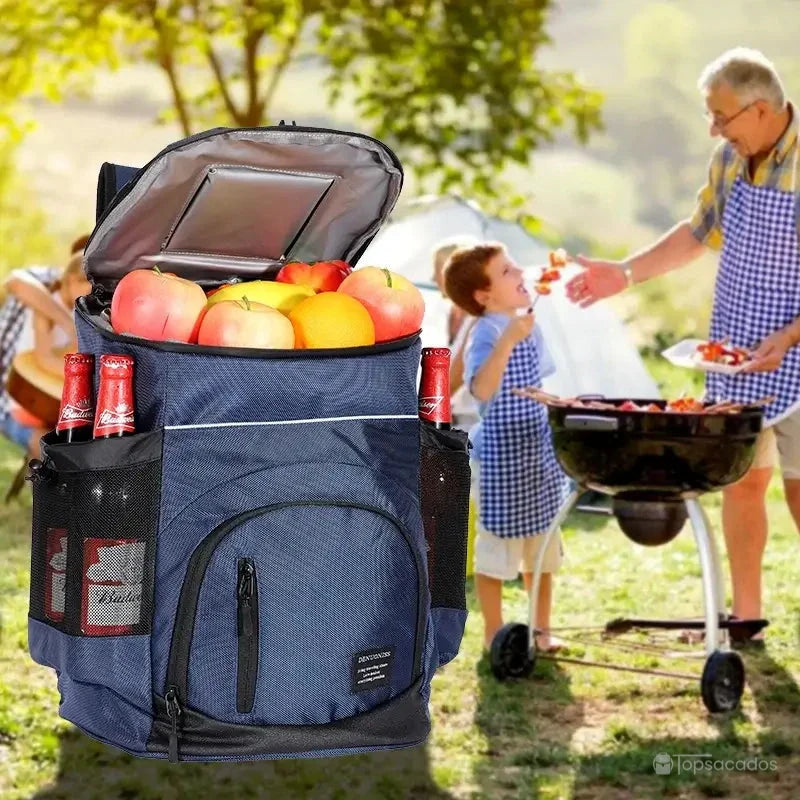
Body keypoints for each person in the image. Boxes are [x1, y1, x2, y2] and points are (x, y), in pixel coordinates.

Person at [565, 48, 800, 647]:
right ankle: (746, 618)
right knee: (743, 483)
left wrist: (789, 336)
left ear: (762, 108)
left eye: (722, 117)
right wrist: (624, 273)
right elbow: (699, 232)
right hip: (736, 355)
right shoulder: (729, 158)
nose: (715, 130)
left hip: (793, 355)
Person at [444, 242, 569, 652]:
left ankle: (541, 628)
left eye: (516, 268)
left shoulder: (525, 323)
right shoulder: (487, 332)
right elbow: (480, 387)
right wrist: (507, 342)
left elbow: (533, 383)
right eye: (507, 272)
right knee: (496, 551)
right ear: (484, 296)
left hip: (536, 448)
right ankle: (495, 632)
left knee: (542, 549)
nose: (520, 276)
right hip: (501, 453)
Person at [1, 235, 91, 459]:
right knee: (48, 448)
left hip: (48, 404)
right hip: (20, 405)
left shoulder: (79, 311)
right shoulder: (44, 309)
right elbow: (43, 359)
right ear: (70, 280)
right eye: (86, 284)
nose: (91, 294)